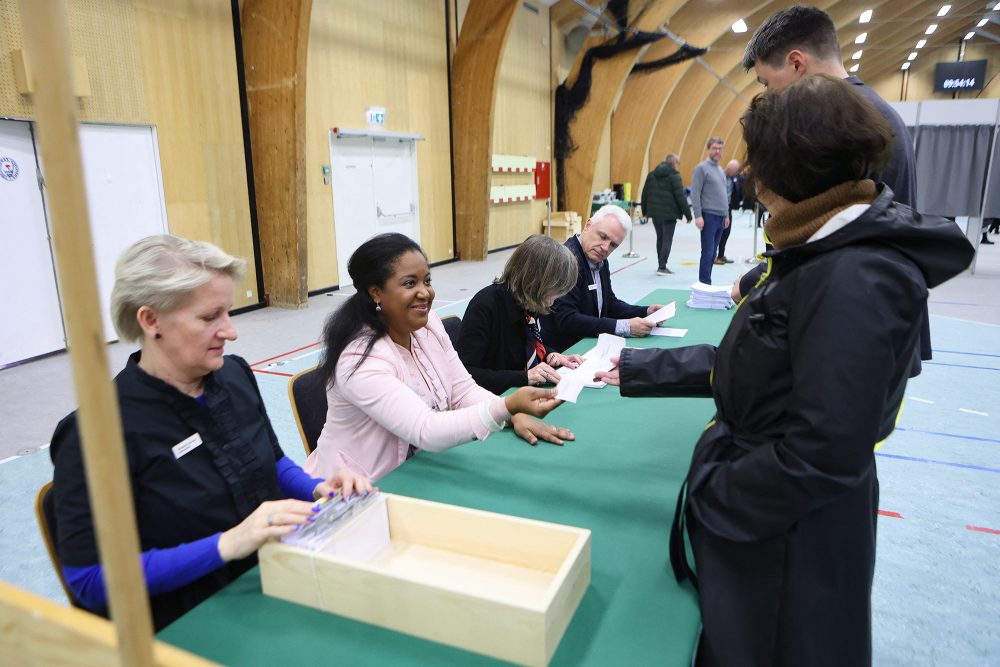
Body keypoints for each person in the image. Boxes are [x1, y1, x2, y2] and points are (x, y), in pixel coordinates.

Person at [599, 75, 973, 665]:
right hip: (779, 528)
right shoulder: (819, 250)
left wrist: (716, 495)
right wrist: (633, 367)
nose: (749, 175)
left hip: (789, 543)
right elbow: (763, 364)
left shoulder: (854, 275)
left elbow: (823, 451)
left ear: (785, 171)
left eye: (756, 161)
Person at [50, 235, 372, 631]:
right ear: (151, 321)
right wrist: (228, 543)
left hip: (275, 576)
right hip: (189, 619)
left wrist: (317, 490)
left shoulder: (234, 376)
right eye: (209, 318)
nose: (231, 331)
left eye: (229, 313)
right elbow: (89, 580)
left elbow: (271, 462)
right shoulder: (96, 432)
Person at [740, 5, 932, 374]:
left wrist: (760, 284)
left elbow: (830, 235)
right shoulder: (864, 114)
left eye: (767, 83)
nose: (768, 97)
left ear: (796, 64)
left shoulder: (837, 129)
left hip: (857, 326)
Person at [304, 233, 573, 483]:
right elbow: (425, 429)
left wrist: (513, 415)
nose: (426, 292)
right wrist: (506, 407)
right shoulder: (358, 359)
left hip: (419, 469)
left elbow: (462, 389)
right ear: (376, 292)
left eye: (427, 281)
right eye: (410, 283)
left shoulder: (427, 323)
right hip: (358, 489)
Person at [457, 235, 584, 394]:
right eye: (555, 291)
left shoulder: (528, 301)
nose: (555, 300)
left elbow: (525, 345)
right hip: (492, 401)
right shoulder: (485, 306)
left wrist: (550, 355)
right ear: (535, 282)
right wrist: (523, 378)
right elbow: (466, 374)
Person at [541, 205, 663, 352]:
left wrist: (645, 312)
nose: (605, 247)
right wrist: (624, 327)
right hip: (565, 352)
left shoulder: (600, 260)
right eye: (603, 236)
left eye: (613, 245)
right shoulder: (565, 261)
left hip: (589, 346)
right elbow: (567, 320)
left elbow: (609, 303)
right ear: (587, 225)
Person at [640, 153, 693, 275]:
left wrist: (645, 212)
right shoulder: (674, 176)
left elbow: (645, 193)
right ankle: (662, 266)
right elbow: (681, 197)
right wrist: (688, 215)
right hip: (669, 215)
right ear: (674, 163)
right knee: (667, 240)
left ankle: (660, 264)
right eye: (678, 164)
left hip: (655, 214)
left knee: (660, 238)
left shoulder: (652, 174)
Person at [690, 137, 730, 284]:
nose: (717, 151)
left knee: (713, 253)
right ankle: (704, 284)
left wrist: (726, 214)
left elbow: (723, 194)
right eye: (714, 148)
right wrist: (698, 215)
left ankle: (707, 282)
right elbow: (695, 193)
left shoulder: (720, 170)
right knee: (707, 252)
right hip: (708, 216)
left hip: (721, 217)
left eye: (720, 148)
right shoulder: (701, 168)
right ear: (708, 150)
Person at [715, 160, 743, 265]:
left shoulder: (733, 178)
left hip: (728, 209)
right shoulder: (719, 176)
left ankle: (721, 255)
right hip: (718, 209)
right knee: (717, 233)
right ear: (730, 169)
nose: (737, 173)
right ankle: (713, 256)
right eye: (736, 171)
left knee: (726, 233)